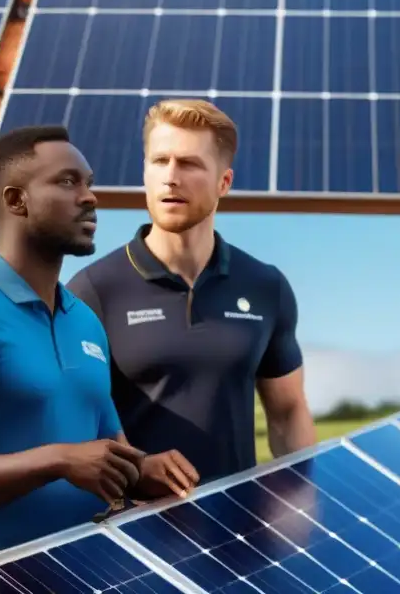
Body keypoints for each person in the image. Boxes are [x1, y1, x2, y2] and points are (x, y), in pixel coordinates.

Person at [0, 125, 194, 562]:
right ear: (15, 200)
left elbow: (108, 450)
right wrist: (57, 460)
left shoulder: (85, 322)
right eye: (67, 182)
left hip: (94, 560)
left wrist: (144, 468)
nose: (90, 197)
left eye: (89, 183)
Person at [67, 99, 316, 486]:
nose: (170, 177)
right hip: (132, 533)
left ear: (224, 182)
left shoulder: (266, 287)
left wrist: (302, 493)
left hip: (237, 529)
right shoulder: (94, 290)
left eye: (189, 164)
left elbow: (287, 412)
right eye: (159, 161)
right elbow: (71, 430)